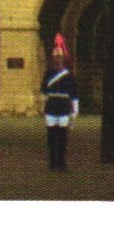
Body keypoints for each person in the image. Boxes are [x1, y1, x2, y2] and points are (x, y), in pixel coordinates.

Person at [41, 34, 79, 171]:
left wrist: (75, 112)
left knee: (62, 138)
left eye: (60, 58)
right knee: (51, 137)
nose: (57, 60)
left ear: (63, 60)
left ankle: (61, 162)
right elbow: (44, 90)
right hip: (51, 106)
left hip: (63, 106)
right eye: (56, 58)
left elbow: (74, 94)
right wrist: (43, 106)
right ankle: (53, 162)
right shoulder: (48, 74)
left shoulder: (68, 75)